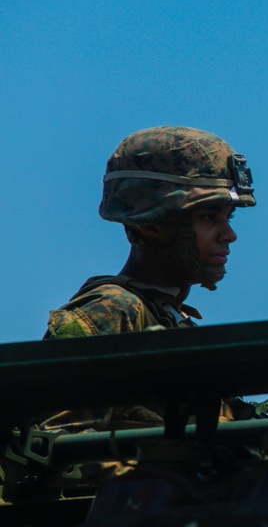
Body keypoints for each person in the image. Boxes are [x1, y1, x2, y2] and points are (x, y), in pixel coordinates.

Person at [41, 125, 256, 430]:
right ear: (151, 223)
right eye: (209, 217)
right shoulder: (113, 310)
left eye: (228, 217)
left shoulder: (167, 317)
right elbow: (60, 442)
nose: (229, 235)